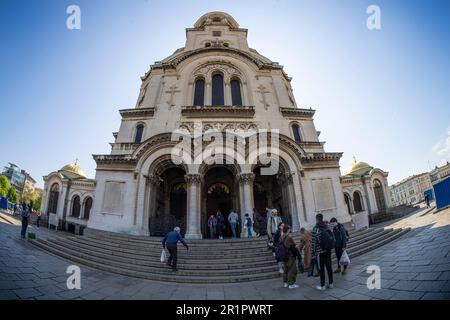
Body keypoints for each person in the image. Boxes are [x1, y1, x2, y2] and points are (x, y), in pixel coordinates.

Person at [312, 213, 334, 291]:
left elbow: (314, 243)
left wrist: (313, 253)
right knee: (329, 267)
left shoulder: (315, 229)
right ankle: (331, 284)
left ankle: (323, 285)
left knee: (321, 269)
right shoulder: (327, 226)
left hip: (320, 252)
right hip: (328, 250)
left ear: (317, 219)